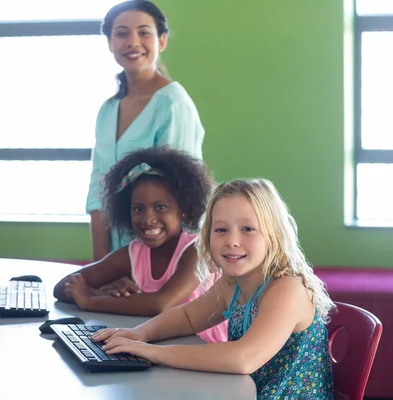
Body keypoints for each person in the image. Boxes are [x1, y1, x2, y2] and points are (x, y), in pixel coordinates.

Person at [92, 179, 336, 399]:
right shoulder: (231, 284)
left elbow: (243, 358)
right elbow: (187, 317)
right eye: (221, 230)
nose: (232, 240)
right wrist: (140, 333)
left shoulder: (287, 289)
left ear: (273, 236)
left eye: (247, 229)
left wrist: (152, 353)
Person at [55, 147, 227, 343]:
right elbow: (63, 287)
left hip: (201, 349)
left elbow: (161, 304)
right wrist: (103, 293)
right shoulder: (134, 254)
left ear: (184, 209)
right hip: (157, 344)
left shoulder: (197, 251)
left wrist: (90, 300)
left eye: (160, 207)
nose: (148, 219)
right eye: (138, 208)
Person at [88, 0, 205, 262]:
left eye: (143, 32)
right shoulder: (107, 110)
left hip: (162, 264)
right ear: (109, 43)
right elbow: (97, 197)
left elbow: (178, 199)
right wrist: (101, 268)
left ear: (161, 41)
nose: (132, 41)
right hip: (117, 262)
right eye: (121, 33)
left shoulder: (173, 103)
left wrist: (150, 272)